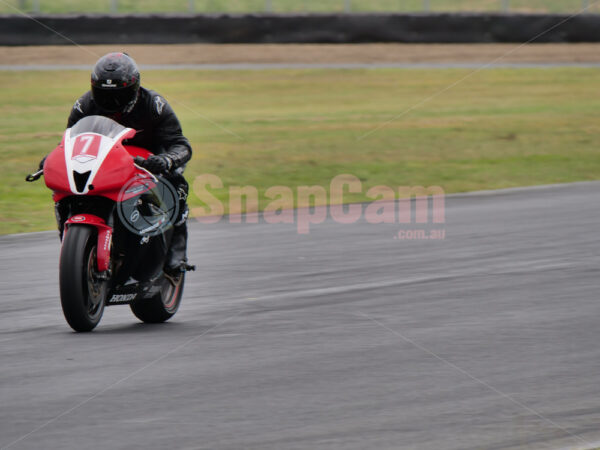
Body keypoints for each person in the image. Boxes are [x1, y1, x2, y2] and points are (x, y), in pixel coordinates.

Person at [41, 52, 193, 276]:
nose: (111, 102)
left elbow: (181, 144)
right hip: (108, 159)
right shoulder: (84, 105)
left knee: (176, 186)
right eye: (103, 94)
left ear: (134, 87)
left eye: (119, 95)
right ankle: (74, 242)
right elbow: (70, 141)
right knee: (70, 188)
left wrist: (166, 160)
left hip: (150, 160)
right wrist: (52, 159)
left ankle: (177, 251)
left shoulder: (155, 105)